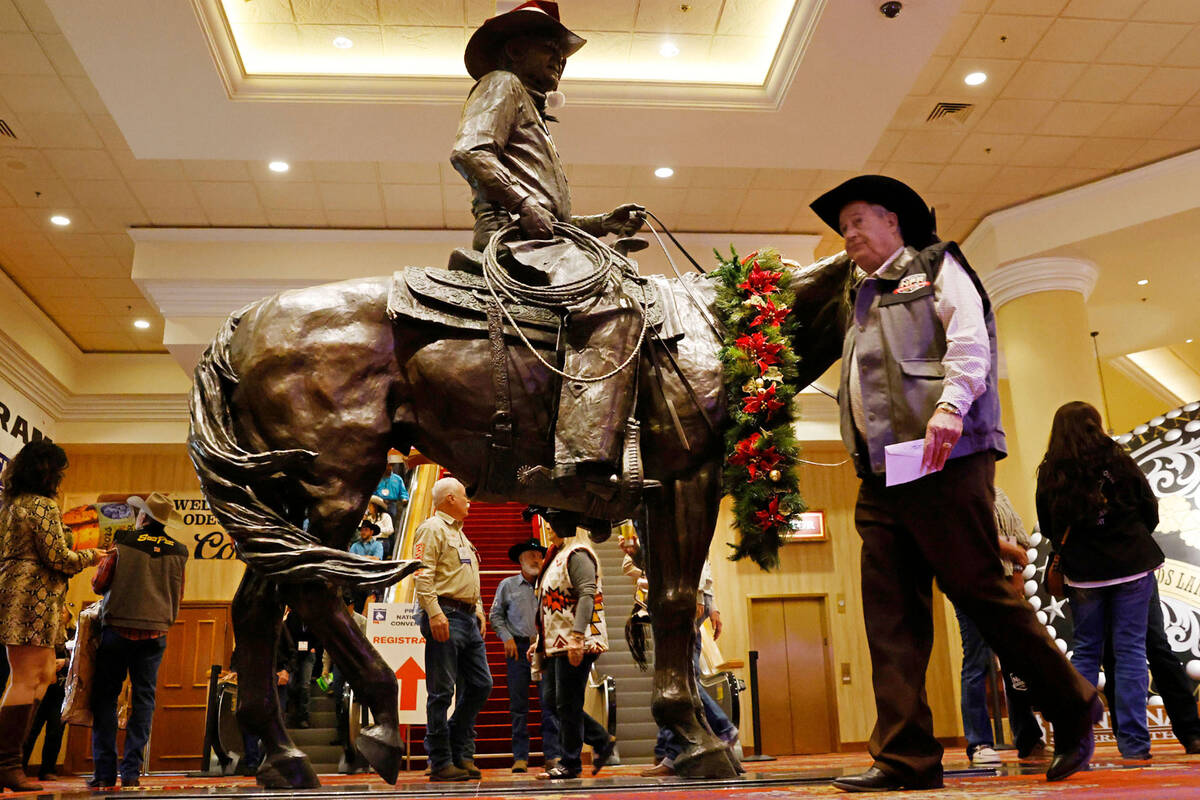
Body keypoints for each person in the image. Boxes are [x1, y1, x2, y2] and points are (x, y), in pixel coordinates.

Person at [807, 175, 1100, 792]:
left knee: (977, 590)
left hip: (946, 458)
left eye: (859, 220)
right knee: (889, 616)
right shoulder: (860, 297)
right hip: (883, 473)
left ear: (893, 221)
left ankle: (1073, 705)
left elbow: (969, 340)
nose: (850, 234)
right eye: (843, 227)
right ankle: (906, 757)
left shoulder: (936, 267)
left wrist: (950, 407)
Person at [451, 1, 645, 487]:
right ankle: (583, 460)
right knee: (616, 306)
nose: (562, 58)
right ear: (515, 49)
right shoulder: (503, 85)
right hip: (512, 240)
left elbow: (552, 217)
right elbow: (469, 150)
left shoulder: (531, 109)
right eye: (552, 47)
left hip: (537, 237)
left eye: (564, 51)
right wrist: (520, 203)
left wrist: (602, 222)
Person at [1036, 400, 1164, 760]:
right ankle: (1135, 745)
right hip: (1132, 566)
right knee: (1131, 652)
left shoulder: (1051, 471)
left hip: (1084, 575)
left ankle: (1077, 744)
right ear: (1095, 424)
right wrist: (1127, 537)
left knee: (1087, 651)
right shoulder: (1117, 458)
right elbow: (1148, 507)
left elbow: (1048, 526)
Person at [0, 440, 106, 792]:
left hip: (25, 593)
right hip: (32, 596)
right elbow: (58, 558)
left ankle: (10, 762)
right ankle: (7, 765)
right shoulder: (41, 505)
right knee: (26, 678)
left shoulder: (11, 505)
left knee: (43, 674)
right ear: (49, 471)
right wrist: (93, 555)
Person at [90, 491, 189, 789]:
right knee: (144, 700)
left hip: (117, 628)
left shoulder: (122, 543)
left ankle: (105, 772)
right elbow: (179, 593)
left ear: (143, 517)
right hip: (156, 631)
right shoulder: (180, 550)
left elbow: (99, 583)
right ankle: (131, 772)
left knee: (106, 698)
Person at [953, 487, 1044, 766]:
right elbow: (967, 536)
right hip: (971, 584)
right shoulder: (955, 493)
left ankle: (1028, 739)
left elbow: (1021, 539)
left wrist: (1018, 572)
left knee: (1016, 662)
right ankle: (979, 741)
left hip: (1007, 582)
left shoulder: (1000, 493)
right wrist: (1008, 548)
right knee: (978, 662)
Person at [413, 477, 492, 782]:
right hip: (444, 614)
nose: (468, 502)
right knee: (442, 691)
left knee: (481, 684)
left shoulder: (460, 534)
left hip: (468, 617)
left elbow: (469, 575)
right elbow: (422, 573)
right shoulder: (432, 528)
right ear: (449, 500)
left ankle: (454, 739)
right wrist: (433, 613)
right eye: (464, 497)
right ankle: (441, 759)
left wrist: (481, 611)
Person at [529, 526, 617, 780]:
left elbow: (587, 595)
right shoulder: (558, 554)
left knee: (567, 703)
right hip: (557, 643)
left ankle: (570, 763)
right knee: (553, 701)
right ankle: (601, 740)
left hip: (576, 641)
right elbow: (551, 605)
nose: (547, 525)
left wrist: (578, 636)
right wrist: (540, 643)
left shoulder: (578, 554)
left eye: (552, 520)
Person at [489, 537, 546, 773]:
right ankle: (520, 757)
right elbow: (495, 615)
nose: (536, 559)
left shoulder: (550, 583)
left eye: (539, 555)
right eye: (530, 555)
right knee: (519, 706)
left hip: (545, 650)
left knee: (549, 703)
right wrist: (506, 637)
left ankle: (553, 755)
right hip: (518, 651)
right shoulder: (507, 585)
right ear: (520, 560)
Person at [22, 604, 74, 780]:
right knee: (31, 729)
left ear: (69, 617)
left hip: (61, 690)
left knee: (55, 730)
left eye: (64, 612)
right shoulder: (44, 631)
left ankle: (48, 769)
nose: (60, 614)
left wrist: (64, 662)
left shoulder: (74, 635)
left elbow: (81, 658)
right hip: (41, 686)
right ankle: (20, 767)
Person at [283, 608, 320, 730]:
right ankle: (291, 713)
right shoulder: (292, 616)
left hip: (308, 653)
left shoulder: (313, 616)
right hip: (293, 653)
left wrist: (314, 647)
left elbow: (319, 634)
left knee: (305, 685)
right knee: (290, 684)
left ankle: (304, 717)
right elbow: (287, 634)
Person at [373, 456, 408, 532]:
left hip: (392, 504)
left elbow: (403, 491)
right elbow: (373, 492)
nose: (388, 468)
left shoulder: (397, 479)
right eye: (387, 466)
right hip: (379, 503)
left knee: (391, 521)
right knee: (378, 522)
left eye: (390, 465)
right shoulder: (378, 478)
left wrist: (404, 498)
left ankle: (391, 539)